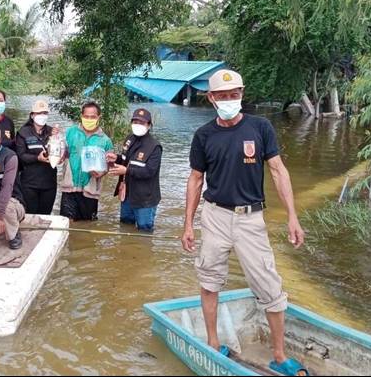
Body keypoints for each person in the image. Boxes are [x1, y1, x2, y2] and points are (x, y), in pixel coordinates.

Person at [181, 69, 308, 376]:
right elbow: (196, 180)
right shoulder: (204, 136)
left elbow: (278, 171)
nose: (229, 100)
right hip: (215, 216)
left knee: (269, 286)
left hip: (251, 219)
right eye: (222, 96)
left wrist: (293, 216)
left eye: (234, 94)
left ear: (242, 93)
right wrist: (187, 224)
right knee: (209, 280)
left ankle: (279, 356)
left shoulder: (260, 127)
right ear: (211, 98)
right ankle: (212, 344)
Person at [107, 108, 162, 232]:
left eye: (142, 123)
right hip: (127, 194)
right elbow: (126, 160)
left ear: (149, 125)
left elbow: (149, 172)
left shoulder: (154, 146)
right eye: (135, 122)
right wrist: (116, 158)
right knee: (125, 226)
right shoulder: (129, 139)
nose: (138, 125)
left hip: (145, 199)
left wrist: (126, 171)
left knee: (144, 231)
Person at [59, 101, 114, 221]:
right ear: (81, 116)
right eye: (86, 116)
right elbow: (61, 154)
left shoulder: (105, 140)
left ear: (99, 117)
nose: (89, 119)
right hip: (70, 188)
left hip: (91, 190)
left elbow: (110, 165)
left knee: (88, 224)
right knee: (66, 224)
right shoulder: (70, 133)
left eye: (93, 117)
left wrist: (102, 172)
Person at [16, 100, 59, 214]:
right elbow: (21, 155)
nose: (42, 116)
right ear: (32, 115)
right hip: (29, 183)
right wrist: (37, 158)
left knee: (46, 216)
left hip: (49, 182)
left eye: (45, 113)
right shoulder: (23, 132)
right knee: (30, 216)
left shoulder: (52, 132)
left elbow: (61, 152)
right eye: (39, 113)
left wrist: (57, 140)